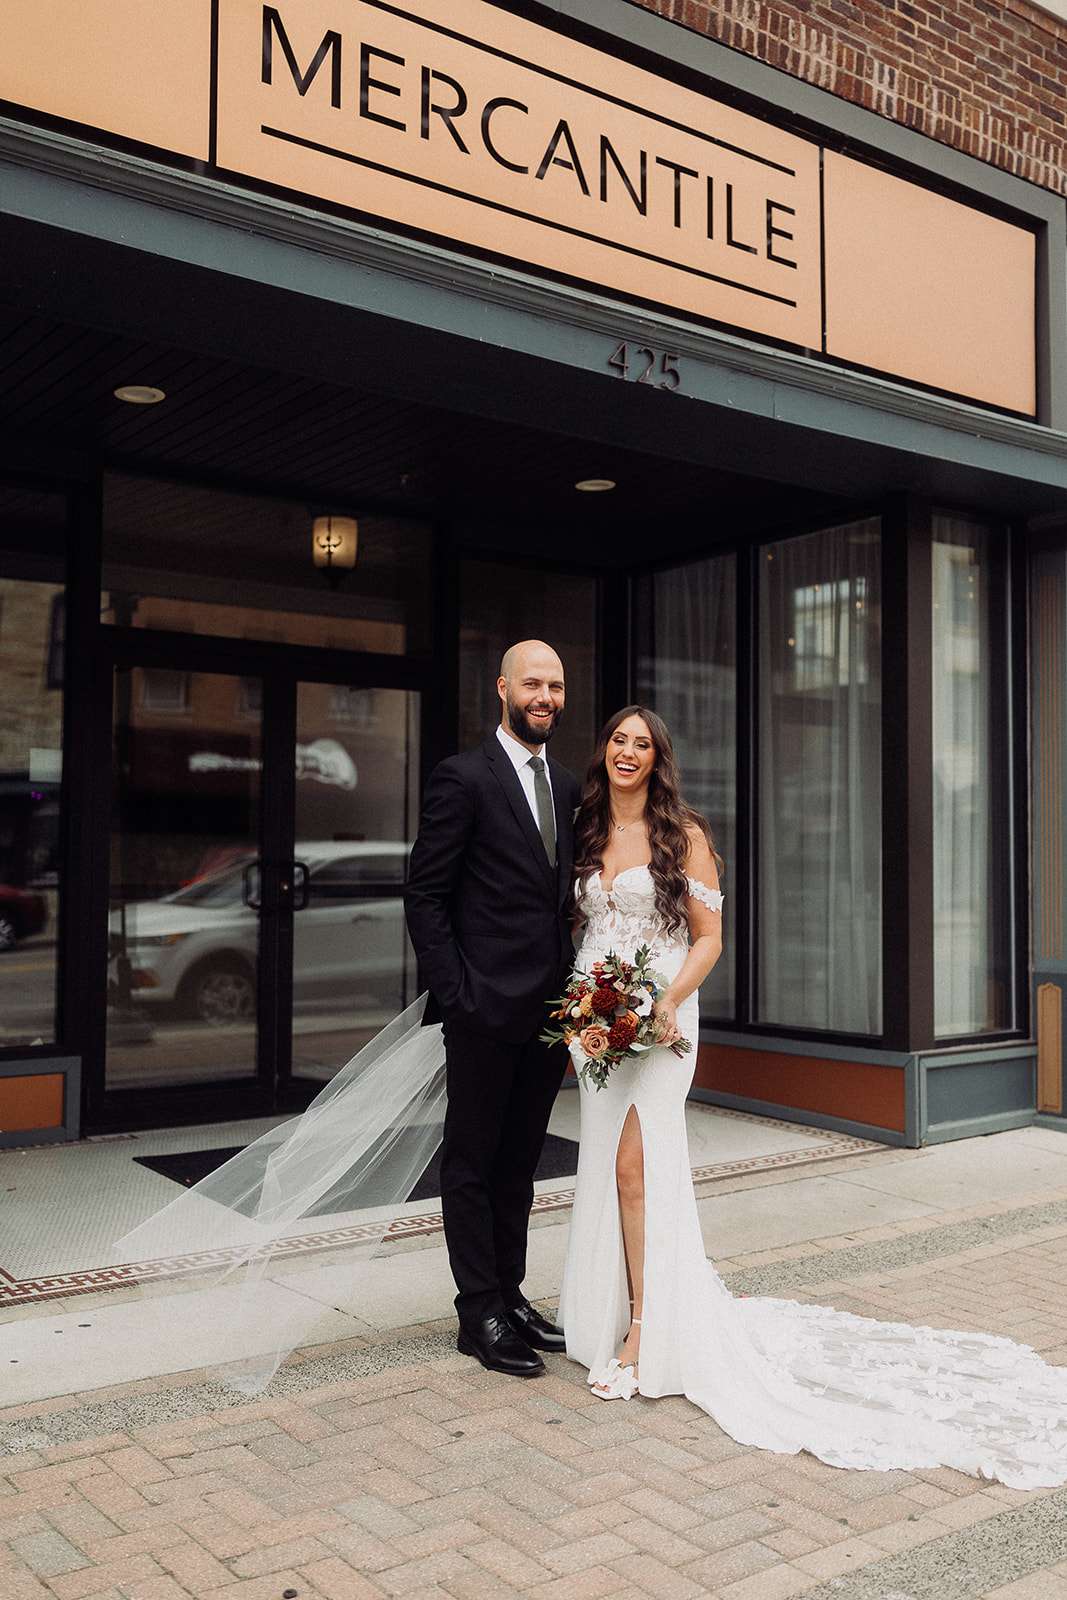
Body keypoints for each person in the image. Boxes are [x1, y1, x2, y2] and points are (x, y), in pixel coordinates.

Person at [559, 704, 1067, 1489]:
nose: (628, 752)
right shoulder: (588, 828)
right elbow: (587, 930)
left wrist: (662, 1003)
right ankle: (608, 1314)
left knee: (638, 1168)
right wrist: (587, 1009)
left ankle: (645, 1329)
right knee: (605, 1167)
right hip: (599, 1021)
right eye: (619, 740)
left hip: (662, 1021)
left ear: (659, 760)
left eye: (643, 744)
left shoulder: (681, 832)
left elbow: (707, 936)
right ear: (605, 752)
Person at [404, 639, 581, 1378]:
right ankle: (475, 1309)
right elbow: (425, 896)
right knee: (472, 1162)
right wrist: (460, 996)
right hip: (481, 1010)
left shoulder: (568, 785)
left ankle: (509, 1295)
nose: (545, 696)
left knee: (519, 1161)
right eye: (532, 683)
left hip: (548, 1013)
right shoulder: (462, 778)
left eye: (556, 685)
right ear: (502, 689)